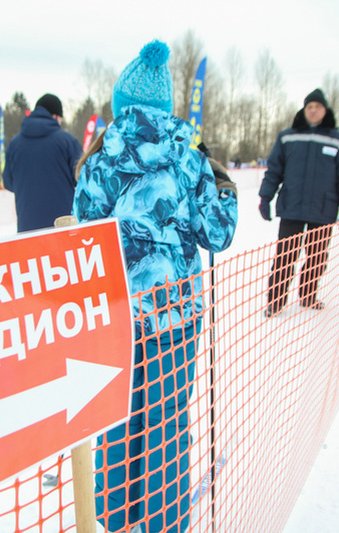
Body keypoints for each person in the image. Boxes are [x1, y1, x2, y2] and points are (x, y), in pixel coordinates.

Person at [73, 40, 237, 533]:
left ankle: (114, 517)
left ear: (121, 103)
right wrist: (223, 187)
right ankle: (163, 522)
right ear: (165, 104)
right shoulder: (189, 156)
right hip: (175, 314)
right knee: (167, 423)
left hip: (116, 314)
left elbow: (81, 233)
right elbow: (217, 234)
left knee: (116, 422)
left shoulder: (101, 158)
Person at [258, 88, 339, 316]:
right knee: (285, 257)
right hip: (292, 207)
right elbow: (274, 170)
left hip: (323, 209)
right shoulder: (287, 137)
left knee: (317, 258)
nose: (313, 110)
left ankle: (308, 296)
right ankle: (275, 302)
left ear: (325, 110)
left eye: (318, 107)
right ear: (304, 109)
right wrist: (265, 197)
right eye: (309, 106)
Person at [2, 93, 82, 232]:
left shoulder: (14, 144)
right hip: (62, 227)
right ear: (56, 116)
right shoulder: (67, 141)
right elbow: (83, 178)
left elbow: (8, 183)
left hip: (28, 230)